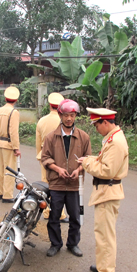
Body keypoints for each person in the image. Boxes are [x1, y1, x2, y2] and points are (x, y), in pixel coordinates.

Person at [77, 108, 129, 272]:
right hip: (105, 191)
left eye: (96, 124)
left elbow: (107, 170)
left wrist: (86, 162)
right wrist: (90, 158)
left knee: (105, 236)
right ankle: (102, 266)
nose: (96, 129)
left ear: (105, 122)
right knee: (102, 233)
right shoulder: (112, 138)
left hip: (108, 191)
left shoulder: (116, 142)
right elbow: (103, 160)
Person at [41, 99, 92, 257]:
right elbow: (45, 158)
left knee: (75, 217)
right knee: (54, 216)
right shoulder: (51, 137)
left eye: (72, 115)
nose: (69, 118)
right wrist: (57, 169)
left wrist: (79, 169)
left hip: (74, 184)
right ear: (60, 115)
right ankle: (55, 244)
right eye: (66, 115)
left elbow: (88, 158)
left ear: (76, 115)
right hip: (56, 184)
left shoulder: (83, 137)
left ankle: (73, 244)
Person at [35, 92, 67, 221]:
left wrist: (40, 155)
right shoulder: (63, 121)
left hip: (44, 155)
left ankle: (47, 212)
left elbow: (38, 142)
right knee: (59, 185)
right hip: (59, 157)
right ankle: (59, 214)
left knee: (46, 184)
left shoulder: (42, 121)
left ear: (49, 105)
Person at [0, 86, 21, 203]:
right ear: (16, 100)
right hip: (9, 144)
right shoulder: (14, 112)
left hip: (0, 142)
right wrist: (16, 148)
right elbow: (14, 132)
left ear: (5, 99)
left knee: (0, 169)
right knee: (10, 170)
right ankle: (7, 195)